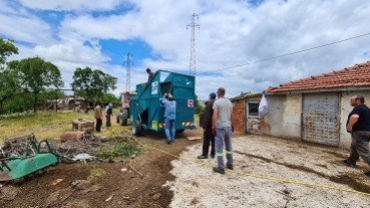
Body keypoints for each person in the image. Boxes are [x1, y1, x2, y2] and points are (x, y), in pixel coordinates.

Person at [341, 95, 370, 177]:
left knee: (364, 152)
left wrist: (349, 126)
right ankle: (351, 161)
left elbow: (354, 117)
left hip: (360, 132)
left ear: (358, 100)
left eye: (351, 100)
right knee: (354, 146)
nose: (350, 101)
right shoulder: (366, 108)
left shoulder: (358, 107)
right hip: (365, 132)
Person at [212, 88, 234, 174]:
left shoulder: (217, 102)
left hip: (220, 127)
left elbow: (215, 115)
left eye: (217, 92)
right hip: (228, 126)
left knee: (219, 147)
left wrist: (213, 126)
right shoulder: (229, 102)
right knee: (228, 146)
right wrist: (232, 125)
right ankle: (230, 164)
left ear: (218, 93)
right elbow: (232, 115)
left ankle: (221, 168)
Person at [197, 93, 216, 159]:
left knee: (206, 141)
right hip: (215, 125)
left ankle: (205, 154)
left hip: (209, 125)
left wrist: (204, 126)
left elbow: (207, 116)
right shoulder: (216, 103)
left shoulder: (209, 103)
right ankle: (213, 154)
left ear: (210, 97)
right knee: (214, 140)